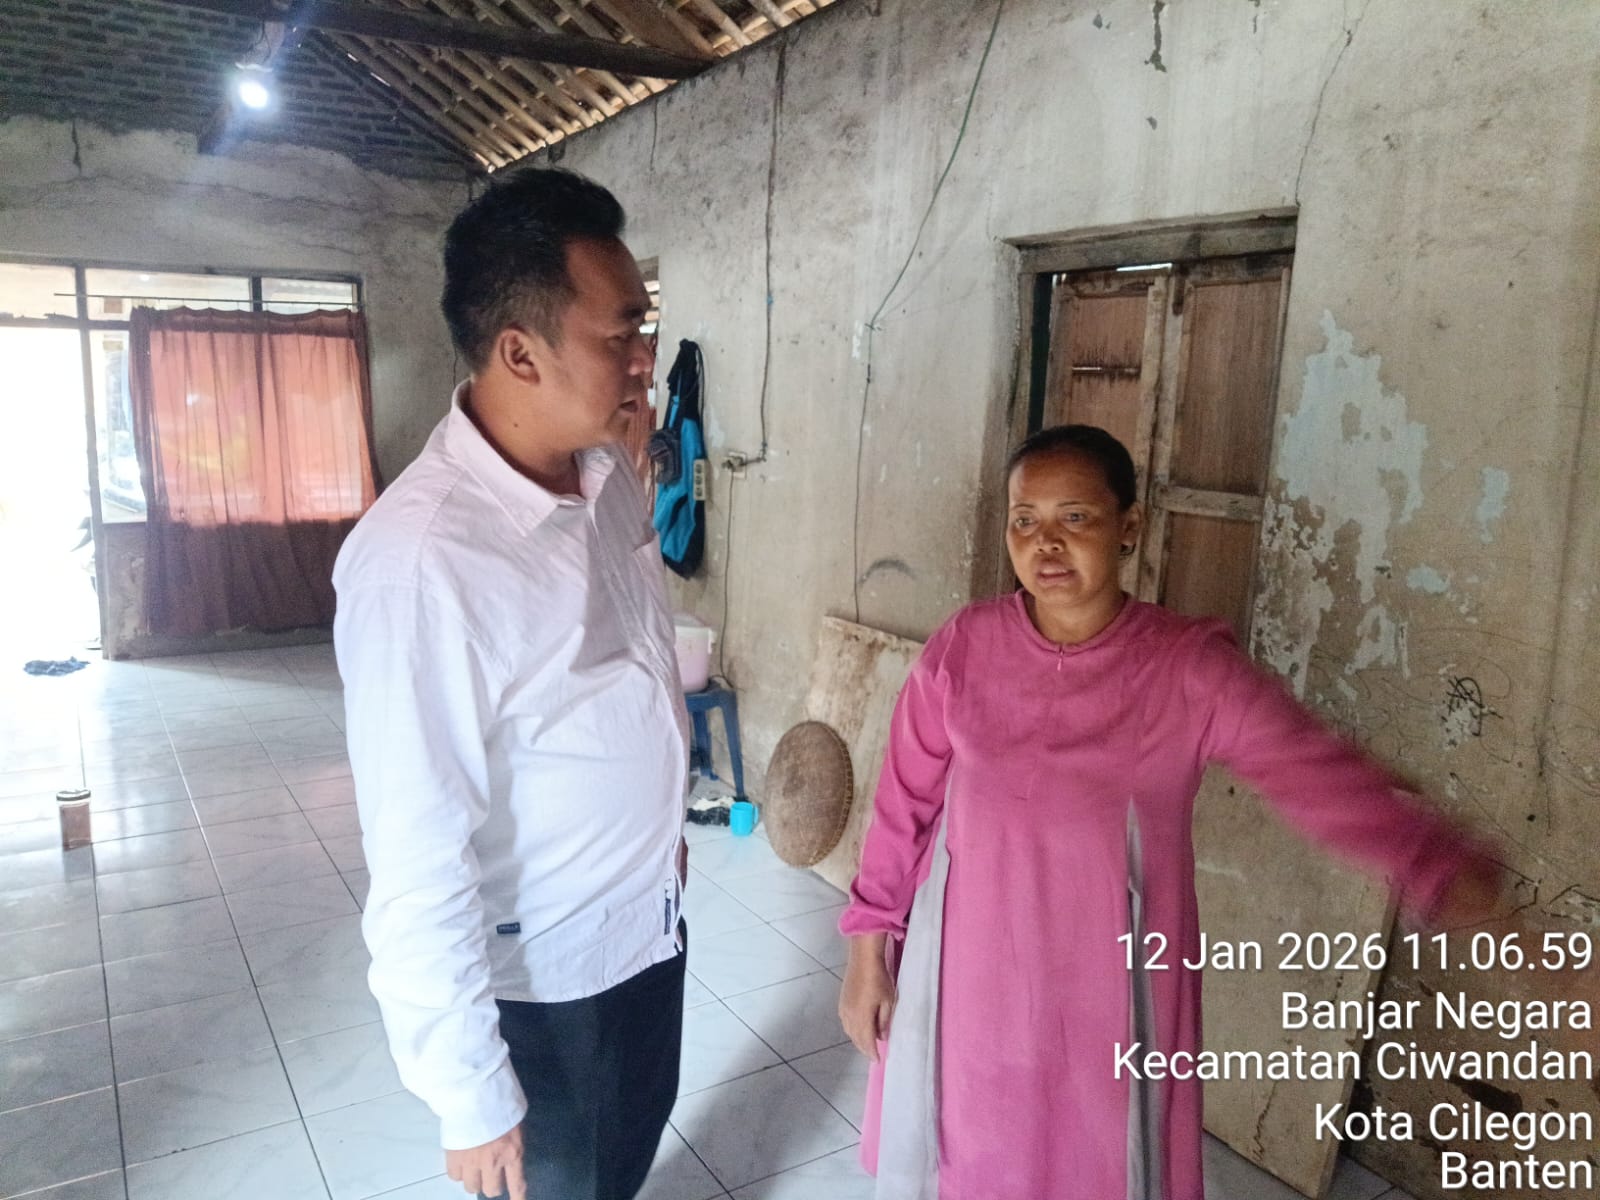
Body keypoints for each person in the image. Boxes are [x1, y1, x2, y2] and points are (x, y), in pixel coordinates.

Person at [837, 424, 1502, 1200]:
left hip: (1111, 992)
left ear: (1129, 526)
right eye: (1024, 520)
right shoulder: (966, 647)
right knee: (969, 1156)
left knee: (1104, 1161)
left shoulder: (1185, 669)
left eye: (1075, 517)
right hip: (969, 975)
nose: (1046, 543)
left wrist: (1449, 877)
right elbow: (903, 803)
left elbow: (1317, 774)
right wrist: (867, 957)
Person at [333, 167, 689, 1200]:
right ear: (521, 352)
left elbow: (623, 666)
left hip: (645, 933)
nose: (643, 359)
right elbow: (415, 852)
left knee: (622, 1162)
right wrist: (468, 1093)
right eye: (621, 335)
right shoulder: (421, 564)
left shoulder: (604, 475)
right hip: (543, 991)